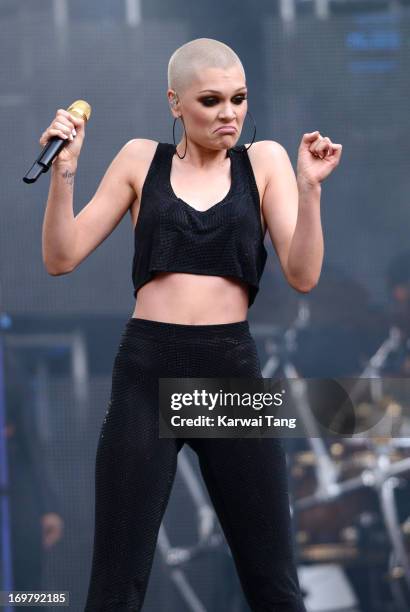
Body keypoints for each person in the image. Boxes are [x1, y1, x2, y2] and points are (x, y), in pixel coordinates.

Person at [41, 38, 342, 612]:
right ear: (175, 103)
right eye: (211, 101)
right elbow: (60, 258)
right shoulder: (138, 159)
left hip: (229, 371)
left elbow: (302, 275)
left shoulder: (267, 161)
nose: (229, 113)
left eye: (239, 98)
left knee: (273, 582)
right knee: (115, 583)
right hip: (147, 370)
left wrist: (309, 189)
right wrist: (66, 174)